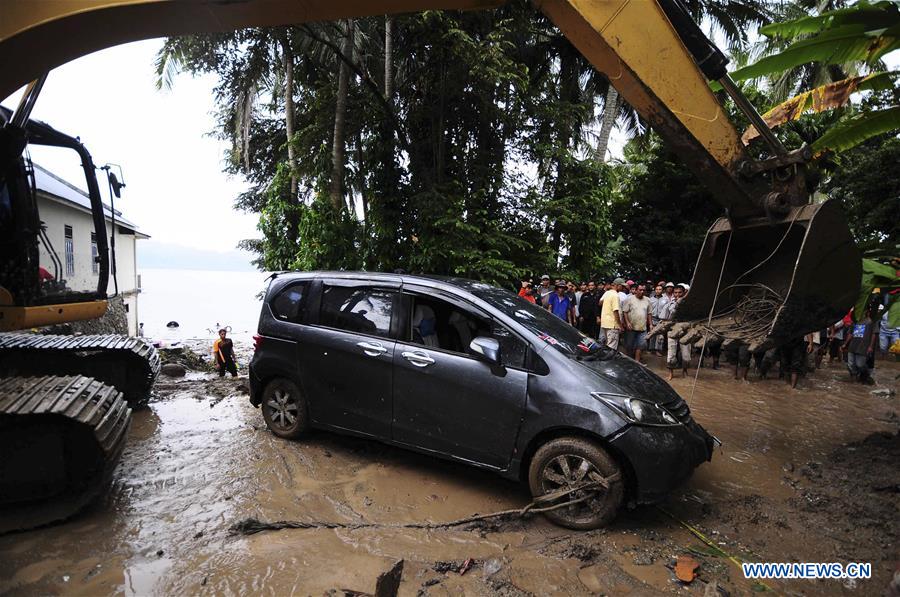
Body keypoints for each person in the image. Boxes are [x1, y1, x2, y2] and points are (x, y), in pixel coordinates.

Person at [843, 302, 880, 384]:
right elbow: (850, 334)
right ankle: (854, 380)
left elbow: (874, 334)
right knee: (850, 364)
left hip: (863, 347)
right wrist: (845, 343)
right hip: (853, 346)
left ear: (867, 311)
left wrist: (871, 346)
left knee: (860, 365)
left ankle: (866, 375)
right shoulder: (855, 321)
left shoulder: (871, 321)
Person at [661, 284, 691, 380]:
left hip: (685, 330)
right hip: (672, 330)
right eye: (675, 292)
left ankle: (685, 370)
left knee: (686, 355)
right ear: (673, 293)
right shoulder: (669, 304)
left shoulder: (688, 304)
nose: (677, 294)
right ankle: (671, 373)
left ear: (684, 293)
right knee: (671, 353)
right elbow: (665, 318)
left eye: (679, 292)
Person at [622, 284, 652, 362]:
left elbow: (649, 313)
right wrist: (627, 322)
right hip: (631, 326)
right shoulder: (629, 299)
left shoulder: (647, 300)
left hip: (642, 327)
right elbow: (625, 312)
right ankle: (629, 361)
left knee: (641, 345)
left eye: (643, 290)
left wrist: (651, 324)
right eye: (640, 290)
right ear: (636, 290)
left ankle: (637, 362)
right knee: (629, 345)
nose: (642, 292)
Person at [599, 278, 626, 350]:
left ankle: (605, 359)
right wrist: (620, 325)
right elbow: (615, 311)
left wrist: (607, 302)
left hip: (605, 323)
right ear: (618, 285)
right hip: (612, 325)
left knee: (607, 345)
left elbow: (600, 302)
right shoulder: (615, 296)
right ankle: (608, 361)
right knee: (612, 348)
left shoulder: (607, 293)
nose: (623, 288)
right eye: (622, 286)